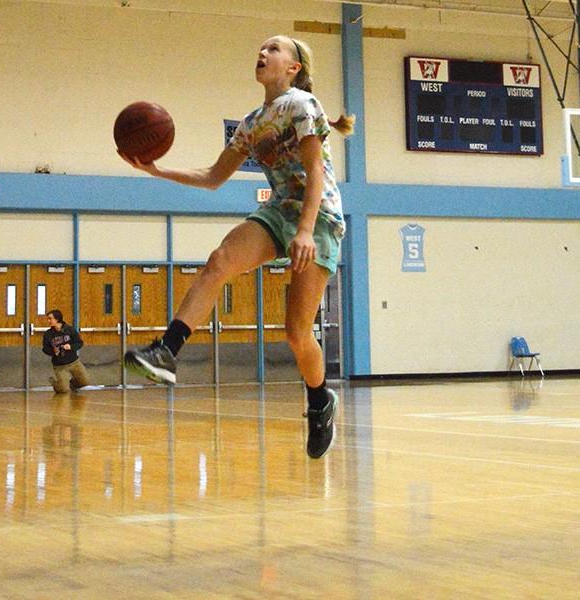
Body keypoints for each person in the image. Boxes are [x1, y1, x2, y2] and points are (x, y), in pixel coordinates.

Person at [119, 35, 354, 459]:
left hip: (317, 217)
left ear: (293, 67)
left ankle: (320, 400)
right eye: (261, 49)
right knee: (220, 260)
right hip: (279, 211)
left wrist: (304, 230)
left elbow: (315, 171)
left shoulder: (302, 105)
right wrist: (156, 170)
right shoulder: (251, 123)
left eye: (274, 49)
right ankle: (167, 351)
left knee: (297, 333)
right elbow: (212, 176)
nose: (263, 53)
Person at [42, 309, 90, 393]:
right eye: (48, 319)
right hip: (60, 365)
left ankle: (71, 384)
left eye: (50, 318)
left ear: (57, 319)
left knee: (85, 381)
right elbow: (45, 349)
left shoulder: (70, 330)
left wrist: (71, 346)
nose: (48, 321)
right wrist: (53, 351)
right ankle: (56, 384)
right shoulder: (48, 334)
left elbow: (79, 343)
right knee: (63, 390)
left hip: (74, 362)